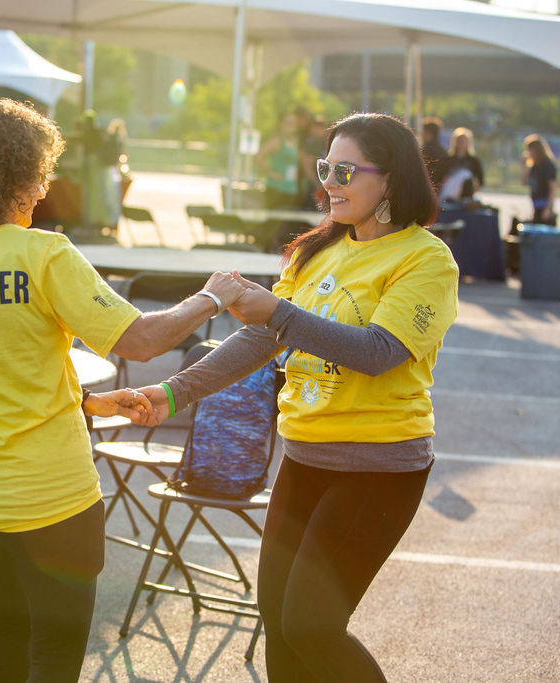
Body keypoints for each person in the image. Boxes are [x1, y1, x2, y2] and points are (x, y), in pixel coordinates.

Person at [0, 97, 245, 682]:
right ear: (10, 180)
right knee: (56, 655)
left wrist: (86, 401)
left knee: (7, 629)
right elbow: (138, 342)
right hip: (47, 500)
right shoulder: (43, 254)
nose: (43, 190)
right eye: (37, 176)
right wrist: (213, 296)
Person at [134, 112, 459, 682]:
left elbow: (380, 351)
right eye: (324, 166)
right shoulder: (316, 253)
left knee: (311, 626)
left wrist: (280, 313)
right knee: (279, 630)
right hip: (305, 458)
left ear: (389, 180)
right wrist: (172, 394)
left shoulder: (425, 259)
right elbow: (261, 338)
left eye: (344, 169)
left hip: (378, 465)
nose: (328, 181)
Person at [257, 111, 302, 209]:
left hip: (290, 188)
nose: (291, 126)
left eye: (293, 123)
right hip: (276, 188)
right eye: (288, 123)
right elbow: (258, 156)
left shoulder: (294, 141)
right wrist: (271, 173)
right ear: (280, 124)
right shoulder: (276, 141)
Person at [440, 127, 484, 202]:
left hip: (467, 195)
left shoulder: (473, 161)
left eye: (463, 141)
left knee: (466, 174)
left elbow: (480, 180)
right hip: (449, 194)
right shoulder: (447, 160)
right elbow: (440, 176)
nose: (461, 144)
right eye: (459, 141)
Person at [521, 134, 557, 224]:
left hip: (545, 206)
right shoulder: (534, 166)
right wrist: (525, 166)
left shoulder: (547, 165)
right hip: (535, 205)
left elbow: (553, 188)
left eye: (530, 150)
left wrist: (548, 208)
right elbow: (524, 182)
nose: (528, 153)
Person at [419, 115, 449, 197]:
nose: (422, 134)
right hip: (439, 193)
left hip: (426, 191)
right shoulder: (443, 152)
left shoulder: (423, 151)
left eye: (424, 132)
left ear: (430, 134)